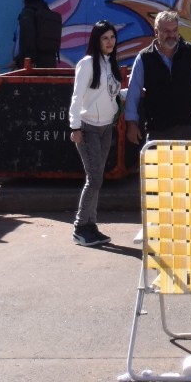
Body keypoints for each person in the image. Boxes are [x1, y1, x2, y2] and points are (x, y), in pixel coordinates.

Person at [123, 10, 191, 145]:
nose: (172, 35)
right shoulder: (144, 58)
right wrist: (131, 124)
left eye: (174, 30)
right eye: (166, 31)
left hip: (189, 127)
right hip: (158, 129)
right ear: (156, 32)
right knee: (158, 167)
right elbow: (133, 91)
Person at [69, 21, 123, 248]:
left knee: (97, 178)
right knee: (94, 178)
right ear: (97, 40)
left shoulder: (111, 64)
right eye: (105, 38)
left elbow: (108, 94)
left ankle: (91, 226)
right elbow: (77, 95)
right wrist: (75, 127)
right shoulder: (88, 63)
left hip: (105, 127)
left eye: (112, 37)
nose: (110, 42)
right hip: (88, 127)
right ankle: (81, 226)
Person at [18, 0, 64, 69]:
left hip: (33, 63)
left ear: (26, 1)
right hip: (50, 61)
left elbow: (29, 37)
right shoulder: (47, 14)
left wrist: (30, 60)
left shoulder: (28, 13)